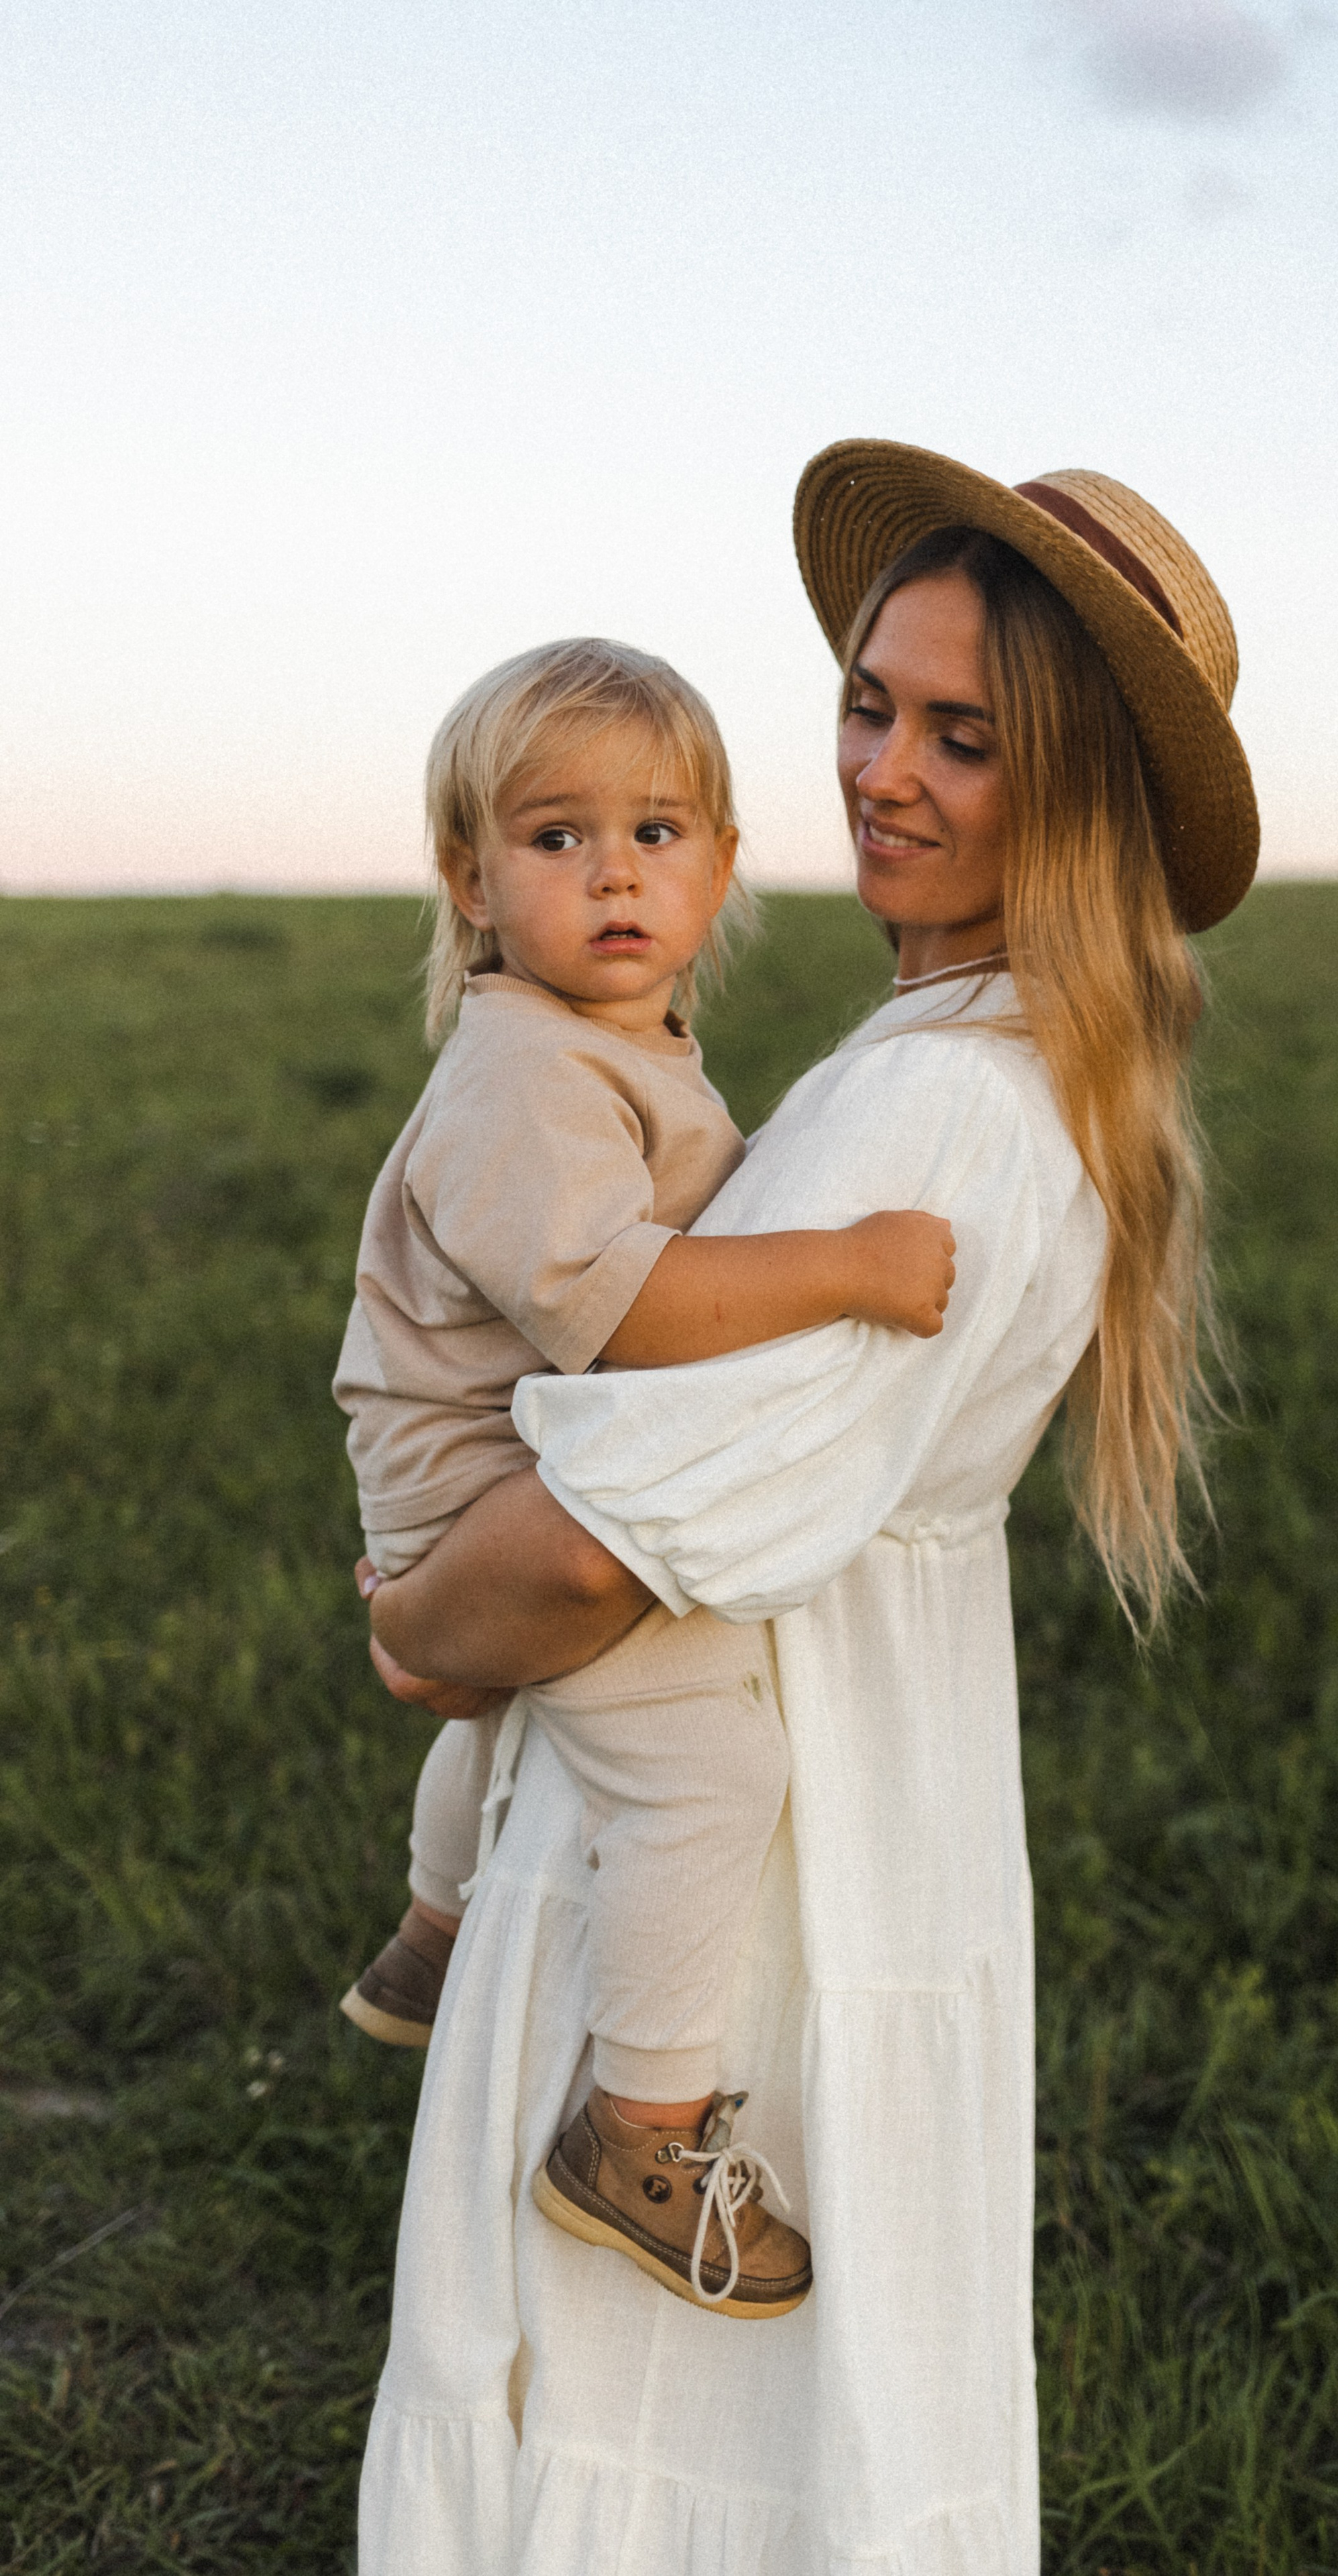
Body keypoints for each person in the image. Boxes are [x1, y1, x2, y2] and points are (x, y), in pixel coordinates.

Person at [354, 441, 1259, 2575]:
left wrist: (416, 1638)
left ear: (1082, 796)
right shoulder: (981, 1054)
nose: (891, 773)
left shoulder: (940, 1101)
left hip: (769, 1823)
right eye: (872, 703)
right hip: (864, 1771)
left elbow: (595, 1539)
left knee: (656, 2420)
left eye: (968, 736)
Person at [333, 635, 956, 2315]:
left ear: (724, 868)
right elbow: (617, 1313)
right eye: (555, 838)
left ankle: (436, 1927)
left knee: (529, 1704)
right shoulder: (526, 1073)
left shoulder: (611, 1044)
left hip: (480, 1469)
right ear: (471, 879)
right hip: (484, 1491)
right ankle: (639, 2125)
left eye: (658, 834)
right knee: (705, 1771)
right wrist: (849, 1265)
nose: (614, 869)